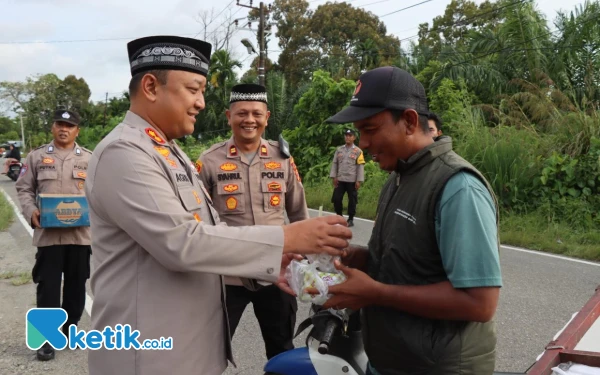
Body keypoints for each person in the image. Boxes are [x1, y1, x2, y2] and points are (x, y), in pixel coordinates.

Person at [84, 35, 351, 375]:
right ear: (151, 87)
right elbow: (182, 242)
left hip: (184, 349)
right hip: (151, 356)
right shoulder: (125, 153)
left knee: (279, 343)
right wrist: (288, 239)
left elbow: (209, 230)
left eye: (202, 92)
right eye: (193, 90)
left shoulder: (169, 152)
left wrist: (277, 258)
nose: (200, 103)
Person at [322, 66, 503, 375]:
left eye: (370, 129)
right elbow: (413, 263)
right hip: (391, 361)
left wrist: (374, 292)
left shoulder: (458, 187)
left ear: (408, 121)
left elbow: (480, 302)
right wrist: (360, 258)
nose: (362, 143)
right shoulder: (399, 176)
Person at [197, 83, 308, 360]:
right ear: (228, 116)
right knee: (211, 350)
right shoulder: (209, 161)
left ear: (267, 117)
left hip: (276, 275)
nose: (249, 120)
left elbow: (298, 212)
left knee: (281, 349)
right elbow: (196, 218)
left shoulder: (282, 158)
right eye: (242, 113)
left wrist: (304, 260)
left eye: (256, 114)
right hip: (227, 277)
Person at [15, 109, 92, 361]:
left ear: (77, 131)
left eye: (70, 125)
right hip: (48, 237)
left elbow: (99, 194)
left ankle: (69, 330)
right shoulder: (36, 157)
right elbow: (24, 188)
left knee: (76, 285)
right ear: (52, 127)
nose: (64, 129)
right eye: (60, 124)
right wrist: (30, 211)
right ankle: (47, 338)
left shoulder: (90, 160)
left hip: (79, 236)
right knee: (47, 286)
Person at [329, 128, 365, 227]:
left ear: (354, 138)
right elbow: (335, 163)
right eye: (346, 135)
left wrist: (359, 180)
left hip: (352, 180)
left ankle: (350, 219)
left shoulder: (358, 151)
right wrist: (334, 177)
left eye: (350, 136)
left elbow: (360, 166)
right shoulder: (339, 149)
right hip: (340, 179)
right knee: (336, 198)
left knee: (352, 200)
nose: (347, 137)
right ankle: (339, 217)